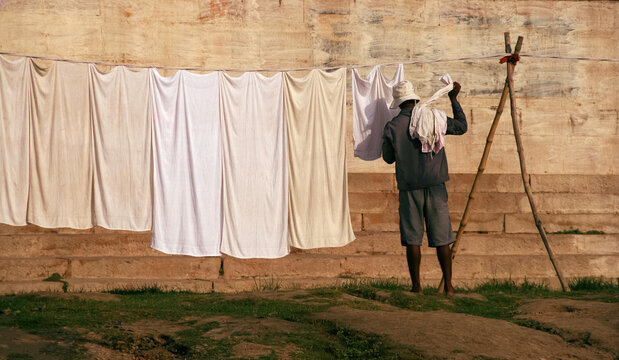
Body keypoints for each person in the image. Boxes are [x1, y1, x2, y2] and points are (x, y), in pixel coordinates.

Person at [382, 79, 467, 295]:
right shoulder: (433, 118)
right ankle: (448, 286)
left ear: (399, 104)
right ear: (414, 99)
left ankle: (416, 287)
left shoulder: (392, 127)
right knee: (442, 239)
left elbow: (388, 158)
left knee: (412, 238)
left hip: (410, 188)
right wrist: (453, 99)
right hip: (436, 185)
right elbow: (461, 127)